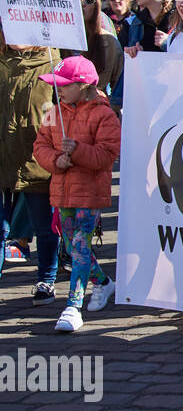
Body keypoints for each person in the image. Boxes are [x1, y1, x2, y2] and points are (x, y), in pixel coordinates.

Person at [31, 56, 121, 332]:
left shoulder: (104, 114)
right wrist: (56, 160)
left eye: (65, 84)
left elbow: (108, 155)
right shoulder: (52, 111)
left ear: (83, 84)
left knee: (80, 246)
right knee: (72, 247)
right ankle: (104, 284)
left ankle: (73, 306)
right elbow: (40, 145)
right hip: (61, 191)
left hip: (90, 192)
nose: (58, 88)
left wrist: (78, 151)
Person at [0, 26, 60, 307]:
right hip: (3, 154)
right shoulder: (2, 62)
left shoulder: (53, 63)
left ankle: (46, 279)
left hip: (37, 159)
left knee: (45, 226)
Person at [68, 0, 124, 108]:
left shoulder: (109, 41)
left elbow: (119, 84)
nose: (82, 4)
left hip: (97, 110)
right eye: (76, 0)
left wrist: (111, 110)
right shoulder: (58, 40)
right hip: (64, 112)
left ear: (96, 5)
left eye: (88, 0)